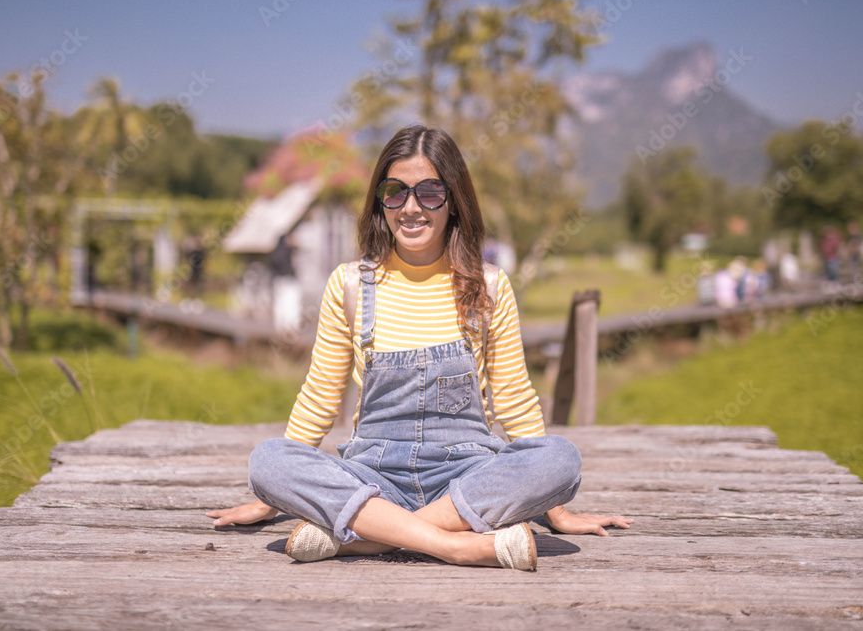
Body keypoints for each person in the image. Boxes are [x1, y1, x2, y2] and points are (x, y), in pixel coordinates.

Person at [207, 125, 632, 570]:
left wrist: (555, 507)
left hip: (464, 477)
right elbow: (319, 396)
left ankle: (369, 537)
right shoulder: (350, 285)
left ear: (455, 201)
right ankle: (454, 545)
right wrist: (270, 496)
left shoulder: (489, 286)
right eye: (395, 192)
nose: (410, 208)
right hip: (373, 475)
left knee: (560, 459)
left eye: (430, 192)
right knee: (268, 460)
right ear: (380, 200)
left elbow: (513, 398)